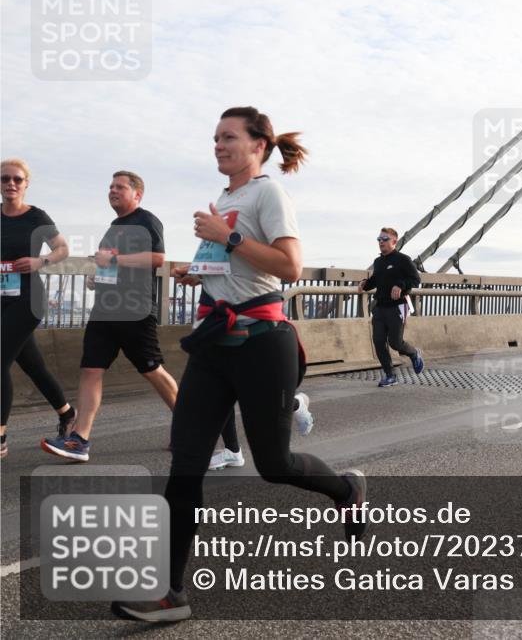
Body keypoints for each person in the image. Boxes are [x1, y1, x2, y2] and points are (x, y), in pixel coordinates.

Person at [112, 107, 366, 622]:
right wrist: (199, 270)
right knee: (185, 465)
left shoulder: (269, 193)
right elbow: (234, 265)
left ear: (259, 146)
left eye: (229, 137)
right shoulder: (227, 198)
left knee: (274, 465)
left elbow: (289, 266)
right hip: (213, 339)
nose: (218, 145)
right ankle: (169, 593)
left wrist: (226, 238)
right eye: (215, 138)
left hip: (260, 340)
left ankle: (348, 490)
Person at [42, 171, 177, 462]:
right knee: (91, 369)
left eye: (120, 187)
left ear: (137, 194)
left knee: (152, 370)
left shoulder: (146, 221)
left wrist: (113, 260)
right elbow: (110, 265)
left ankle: (189, 427)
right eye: (111, 186)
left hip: (135, 311)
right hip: (104, 310)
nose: (113, 190)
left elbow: (157, 259)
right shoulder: (114, 226)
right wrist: (98, 277)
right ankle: (80, 440)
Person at [1, 158, 76, 458]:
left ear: (26, 183)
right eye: (5, 179)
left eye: (17, 179)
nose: (11, 184)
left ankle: (1, 438)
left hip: (28, 300)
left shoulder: (36, 217)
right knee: (33, 366)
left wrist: (39, 261)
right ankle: (67, 413)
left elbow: (63, 249)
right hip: (2, 299)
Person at [358, 227, 424, 386]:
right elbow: (376, 280)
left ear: (394, 242)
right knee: (379, 342)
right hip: (380, 307)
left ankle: (414, 353)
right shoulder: (378, 261)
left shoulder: (403, 259)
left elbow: (416, 279)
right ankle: (390, 375)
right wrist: (365, 284)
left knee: (395, 342)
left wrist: (400, 285)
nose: (381, 242)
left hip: (397, 307)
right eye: (379, 239)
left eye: (384, 239)